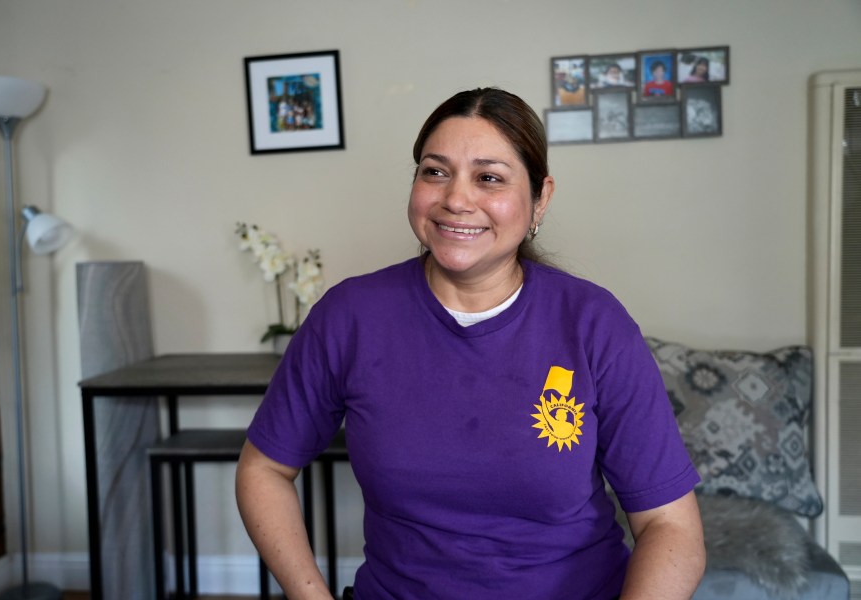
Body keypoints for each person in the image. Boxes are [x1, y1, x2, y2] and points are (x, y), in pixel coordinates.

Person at [236, 87, 706, 600]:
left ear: (540, 198)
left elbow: (669, 524)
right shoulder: (349, 316)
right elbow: (264, 468)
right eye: (435, 172)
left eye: (489, 178)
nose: (456, 199)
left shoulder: (594, 323)